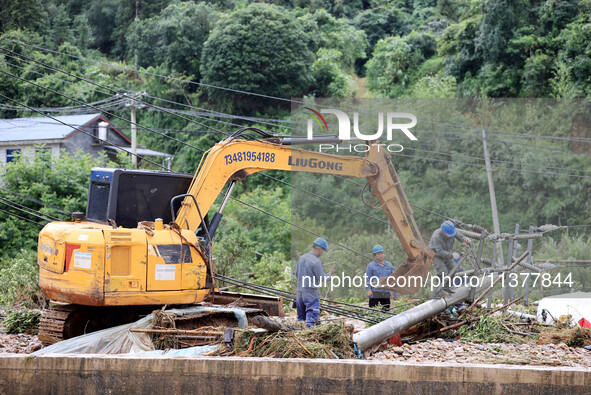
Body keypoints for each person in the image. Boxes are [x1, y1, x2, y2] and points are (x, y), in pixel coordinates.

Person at [295, 237, 334, 327]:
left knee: (301, 321)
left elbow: (297, 274)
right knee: (311, 320)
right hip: (310, 294)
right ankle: (309, 338)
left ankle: (300, 338)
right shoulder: (316, 262)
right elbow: (322, 278)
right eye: (323, 250)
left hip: (300, 293)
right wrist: (330, 273)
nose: (322, 253)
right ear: (319, 249)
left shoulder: (301, 258)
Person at [429, 220, 470, 292]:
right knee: (442, 271)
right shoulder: (436, 236)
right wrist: (452, 255)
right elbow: (440, 251)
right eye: (448, 235)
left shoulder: (451, 231)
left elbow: (459, 236)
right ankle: (438, 290)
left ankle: (446, 287)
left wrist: (464, 239)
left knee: (454, 269)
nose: (450, 236)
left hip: (447, 253)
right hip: (437, 255)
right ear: (443, 232)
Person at [365, 244, 395, 310]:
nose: (381, 255)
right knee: (373, 310)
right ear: (375, 255)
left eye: (382, 253)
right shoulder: (370, 266)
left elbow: (393, 278)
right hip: (375, 291)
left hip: (386, 291)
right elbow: (367, 279)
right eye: (378, 254)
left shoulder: (389, 265)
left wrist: (394, 289)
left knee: (386, 310)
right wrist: (369, 290)